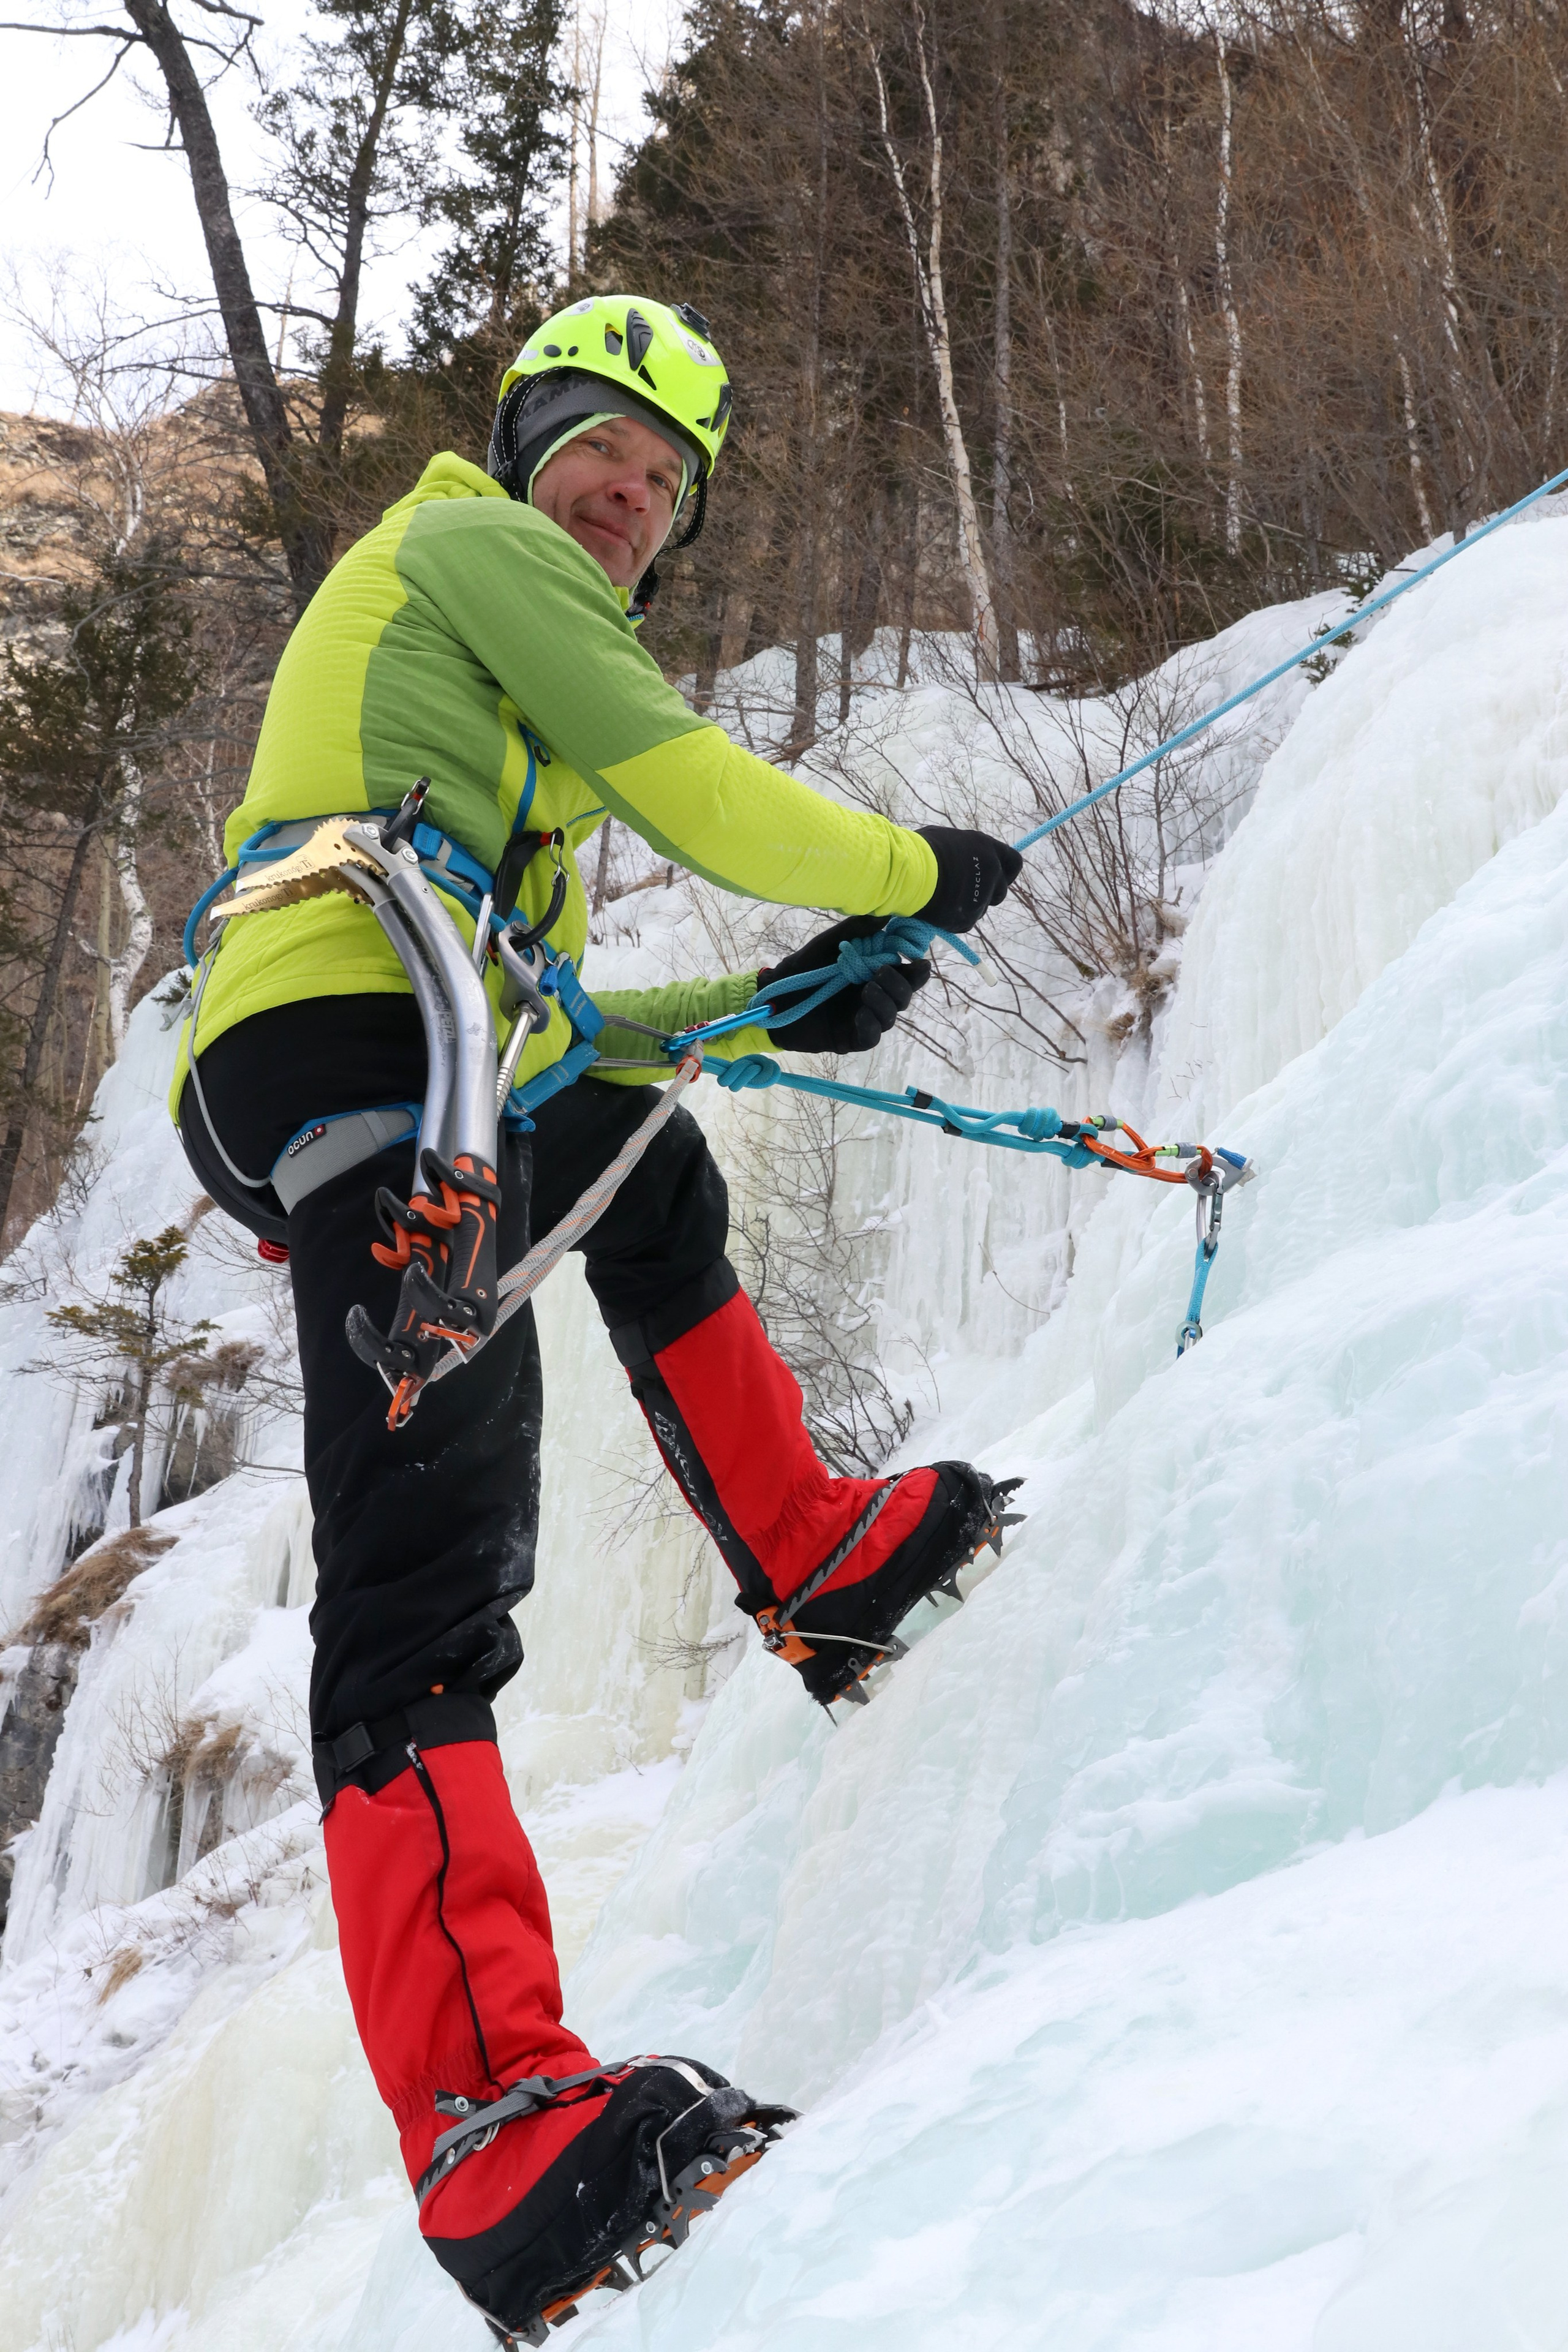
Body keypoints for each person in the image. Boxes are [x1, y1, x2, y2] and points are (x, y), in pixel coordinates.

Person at [172, 295, 1022, 2345]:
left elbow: (571, 1021)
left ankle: (816, 1558)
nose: (626, 497)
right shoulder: (477, 547)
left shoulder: (491, 728)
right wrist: (915, 870)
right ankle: (488, 2121)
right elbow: (702, 794)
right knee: (429, 1559)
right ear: (525, 441)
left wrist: (773, 1002)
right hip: (365, 1030)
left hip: (424, 1033)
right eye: (601, 450)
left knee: (646, 1143)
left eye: (663, 484)